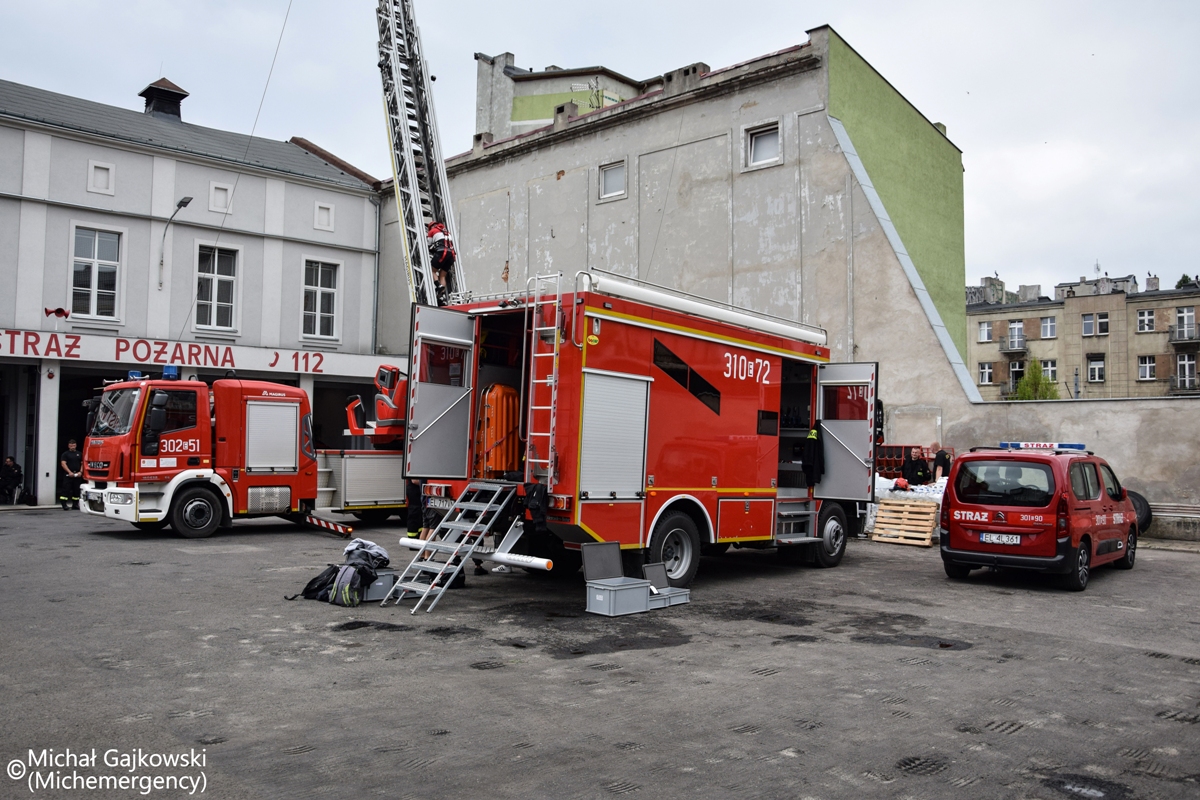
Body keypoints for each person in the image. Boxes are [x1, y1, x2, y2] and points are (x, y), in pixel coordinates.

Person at [59, 440, 83, 510]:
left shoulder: (80, 454)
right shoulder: (65, 454)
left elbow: (82, 463)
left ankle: (75, 504)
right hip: (68, 475)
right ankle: (64, 504)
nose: (72, 446)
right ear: (68, 446)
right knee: (66, 490)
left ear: (76, 445)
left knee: (76, 490)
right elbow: (63, 464)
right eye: (71, 445)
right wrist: (69, 472)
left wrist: (80, 472)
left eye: (73, 445)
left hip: (77, 475)